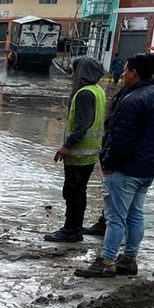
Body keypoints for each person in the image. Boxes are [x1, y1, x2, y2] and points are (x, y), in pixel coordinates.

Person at [76, 53, 154, 278]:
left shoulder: (132, 100)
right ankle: (129, 258)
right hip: (147, 168)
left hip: (125, 169)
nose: (123, 74)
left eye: (126, 70)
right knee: (135, 214)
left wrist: (108, 163)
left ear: (134, 73)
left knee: (115, 217)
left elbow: (121, 138)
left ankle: (106, 261)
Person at [44, 57, 106, 243]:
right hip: (89, 154)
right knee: (78, 191)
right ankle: (75, 228)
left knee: (73, 193)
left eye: (74, 71)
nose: (71, 75)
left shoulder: (84, 94)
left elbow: (81, 126)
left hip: (79, 155)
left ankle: (71, 230)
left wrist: (66, 146)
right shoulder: (98, 91)